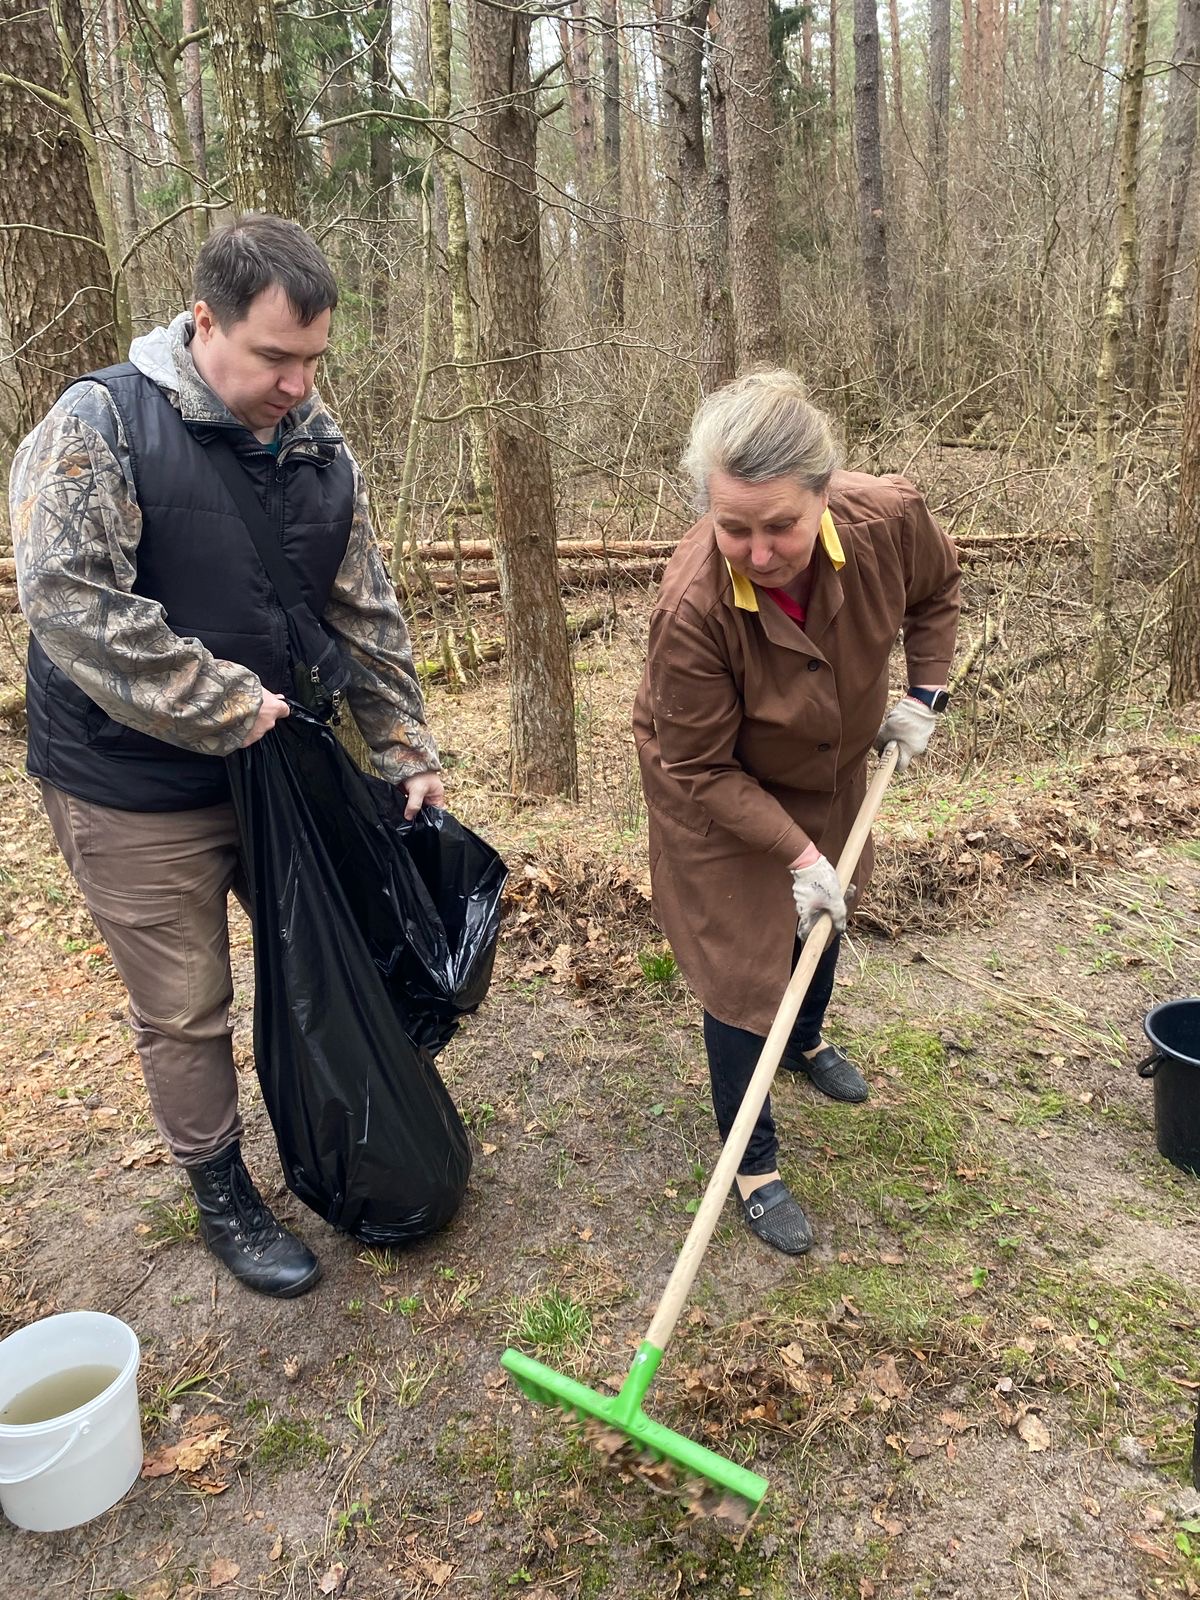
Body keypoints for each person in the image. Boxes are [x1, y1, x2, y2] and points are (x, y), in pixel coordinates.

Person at [10, 215, 445, 1298]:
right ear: (204, 322)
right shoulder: (100, 423)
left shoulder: (316, 443)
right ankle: (222, 1191)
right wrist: (223, 703)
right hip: (129, 786)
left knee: (328, 951)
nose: (298, 383)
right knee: (186, 1002)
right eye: (274, 357)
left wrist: (402, 744)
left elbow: (363, 608)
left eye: (314, 359)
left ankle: (354, 1124)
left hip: (276, 769)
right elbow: (69, 601)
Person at [633, 371, 960, 1257]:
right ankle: (753, 1164)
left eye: (780, 524)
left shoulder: (888, 520)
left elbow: (937, 591)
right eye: (732, 526)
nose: (759, 550)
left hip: (831, 764)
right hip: (714, 784)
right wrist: (796, 854)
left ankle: (806, 1042)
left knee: (827, 909)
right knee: (746, 968)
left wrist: (925, 693)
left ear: (824, 493)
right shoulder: (694, 606)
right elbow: (700, 764)